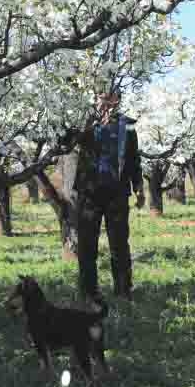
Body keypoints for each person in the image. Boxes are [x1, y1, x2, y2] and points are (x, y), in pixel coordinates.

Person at [74, 90, 144, 301]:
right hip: (89, 193)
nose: (106, 102)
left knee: (119, 244)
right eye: (102, 97)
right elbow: (66, 140)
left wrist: (138, 186)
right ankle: (89, 292)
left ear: (118, 100)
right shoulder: (85, 123)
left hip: (117, 192)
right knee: (87, 245)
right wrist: (88, 122)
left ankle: (123, 291)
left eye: (111, 98)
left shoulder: (126, 126)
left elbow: (133, 158)